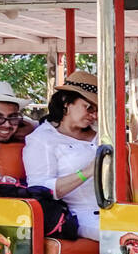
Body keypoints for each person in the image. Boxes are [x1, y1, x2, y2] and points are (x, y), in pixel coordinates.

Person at [24, 71, 101, 242]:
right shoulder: (42, 139)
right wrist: (87, 172)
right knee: (131, 236)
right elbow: (40, 190)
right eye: (89, 107)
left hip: (116, 209)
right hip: (81, 215)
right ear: (66, 102)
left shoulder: (101, 135)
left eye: (97, 110)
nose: (94, 115)